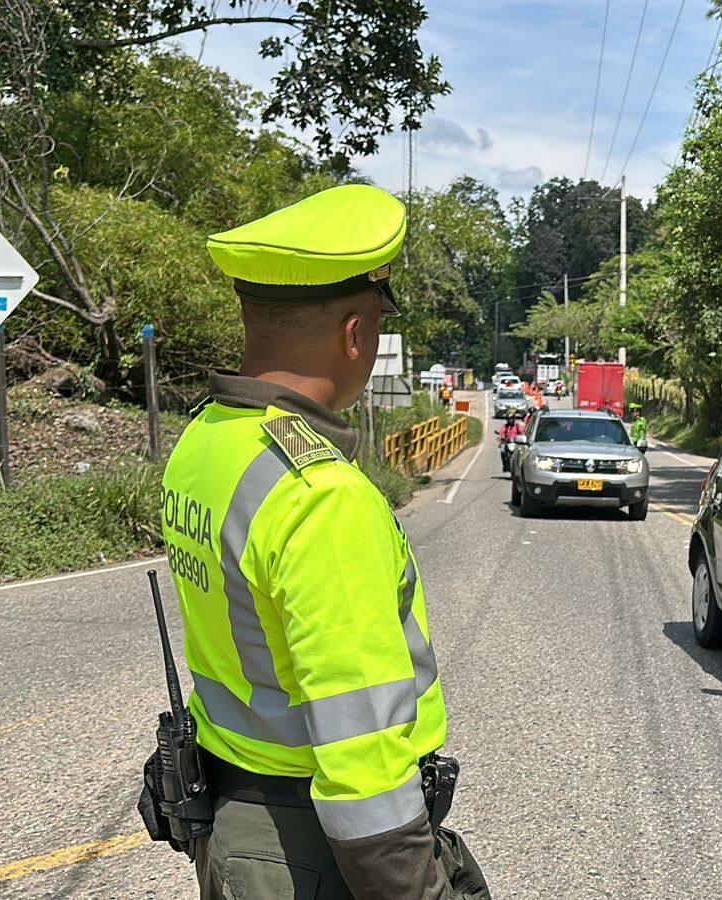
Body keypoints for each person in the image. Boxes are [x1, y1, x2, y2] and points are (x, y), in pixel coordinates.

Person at [160, 184, 489, 899]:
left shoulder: (207, 440)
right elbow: (361, 756)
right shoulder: (322, 499)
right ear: (353, 336)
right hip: (312, 852)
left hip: (232, 825)